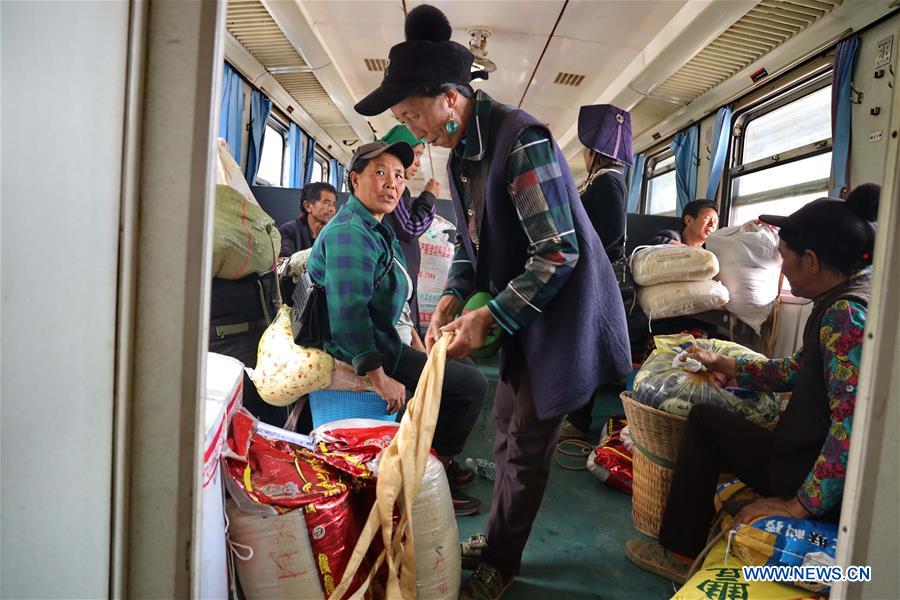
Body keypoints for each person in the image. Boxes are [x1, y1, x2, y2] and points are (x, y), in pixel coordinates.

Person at [354, 5, 631, 597]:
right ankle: (503, 535)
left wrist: (492, 314)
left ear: (450, 98)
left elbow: (558, 253)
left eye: (414, 114)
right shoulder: (462, 157)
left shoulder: (520, 139)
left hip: (561, 315)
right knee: (504, 428)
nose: (413, 128)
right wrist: (453, 297)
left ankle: (502, 561)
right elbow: (471, 243)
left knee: (528, 444)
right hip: (528, 313)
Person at [626, 189, 879, 584]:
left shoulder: (844, 316)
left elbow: (851, 429)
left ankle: (679, 552)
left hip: (800, 471)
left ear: (811, 262)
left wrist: (798, 506)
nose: (783, 267)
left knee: (705, 420)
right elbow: (794, 370)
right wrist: (725, 363)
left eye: (785, 256)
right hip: (801, 455)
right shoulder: (854, 296)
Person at [306, 139, 487, 517]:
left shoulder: (374, 226)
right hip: (369, 347)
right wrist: (377, 376)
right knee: (471, 386)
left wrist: (419, 338)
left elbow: (397, 298)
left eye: (400, 176)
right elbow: (349, 314)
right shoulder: (350, 234)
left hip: (390, 336)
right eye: (381, 173)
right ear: (355, 180)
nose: (393, 183)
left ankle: (433, 457)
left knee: (462, 368)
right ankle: (431, 472)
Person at [560, 104, 633, 439]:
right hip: (591, 273)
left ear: (592, 153)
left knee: (582, 348)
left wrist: (585, 261)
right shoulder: (607, 181)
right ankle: (574, 414)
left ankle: (578, 421)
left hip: (593, 276)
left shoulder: (607, 184)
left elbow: (612, 236)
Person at [380, 124, 441, 331]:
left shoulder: (398, 194)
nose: (417, 163)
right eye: (415, 154)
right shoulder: (393, 192)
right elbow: (411, 228)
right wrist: (429, 196)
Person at [278, 181, 337, 257]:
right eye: (326, 203)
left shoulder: (335, 233)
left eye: (334, 204)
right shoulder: (287, 231)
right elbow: (285, 262)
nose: (331, 209)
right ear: (308, 206)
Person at [649, 199, 718, 247]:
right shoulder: (672, 236)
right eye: (707, 218)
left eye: (715, 221)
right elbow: (656, 242)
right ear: (688, 220)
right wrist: (688, 251)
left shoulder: (709, 250)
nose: (712, 224)